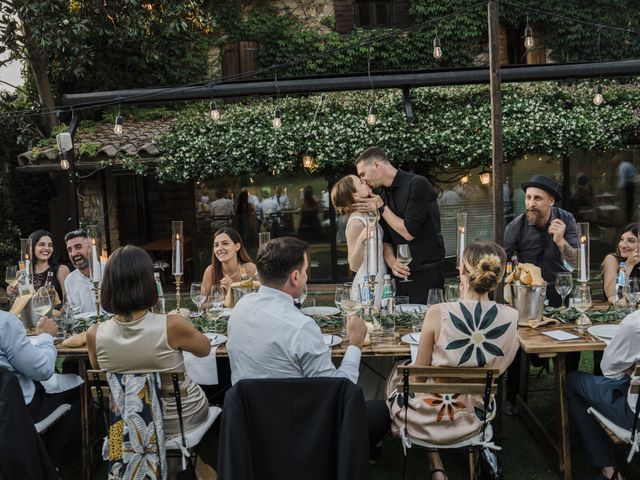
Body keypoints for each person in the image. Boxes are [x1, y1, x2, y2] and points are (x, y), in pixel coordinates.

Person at [226, 237, 390, 458]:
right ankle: (336, 460)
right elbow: (338, 393)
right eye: (305, 271)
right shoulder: (301, 327)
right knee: (380, 412)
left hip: (249, 423)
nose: (306, 277)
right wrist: (355, 344)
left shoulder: (240, 308)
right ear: (295, 277)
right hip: (300, 429)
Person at [393, 241, 518, 480]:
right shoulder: (512, 317)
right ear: (499, 277)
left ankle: (435, 465)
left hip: (424, 418)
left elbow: (418, 376)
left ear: (462, 270)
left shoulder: (438, 312)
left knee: (397, 373)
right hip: (473, 420)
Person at [86, 245, 211, 439]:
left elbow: (100, 369)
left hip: (132, 424)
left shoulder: (94, 334)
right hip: (181, 418)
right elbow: (205, 349)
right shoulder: (173, 326)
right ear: (148, 282)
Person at [503, 175, 579, 414]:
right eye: (528, 198)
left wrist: (561, 242)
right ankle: (511, 396)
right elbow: (503, 262)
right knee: (515, 340)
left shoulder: (567, 221)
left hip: (560, 291)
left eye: (537, 198)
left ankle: (571, 393)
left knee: (572, 341)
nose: (531, 203)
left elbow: (578, 262)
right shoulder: (516, 225)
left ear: (551, 202)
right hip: (526, 294)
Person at [354, 146, 444, 304]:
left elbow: (409, 232)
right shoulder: (381, 194)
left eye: (363, 174)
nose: (363, 180)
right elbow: (386, 238)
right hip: (397, 275)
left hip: (426, 275)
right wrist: (392, 262)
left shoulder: (418, 184)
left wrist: (381, 207)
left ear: (376, 165)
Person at [0, 310, 80, 472]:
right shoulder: (4, 323)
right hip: (15, 413)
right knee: (78, 386)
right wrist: (45, 336)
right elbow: (43, 370)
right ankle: (49, 463)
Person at [567, 309, 640, 480]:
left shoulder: (635, 323)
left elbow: (609, 371)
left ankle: (609, 471)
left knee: (571, 381)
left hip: (634, 416)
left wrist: (631, 370)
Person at [331, 174, 387, 304]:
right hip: (367, 286)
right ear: (355, 195)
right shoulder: (356, 222)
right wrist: (361, 238)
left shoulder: (370, 213)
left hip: (381, 279)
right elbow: (354, 265)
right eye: (361, 183)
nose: (365, 182)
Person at [7, 229, 70, 303]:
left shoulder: (61, 270)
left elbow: (69, 301)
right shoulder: (22, 274)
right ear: (32, 247)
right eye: (41, 244)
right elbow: (17, 305)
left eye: (50, 245)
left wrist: (58, 313)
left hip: (56, 314)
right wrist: (11, 295)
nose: (47, 248)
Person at [201, 227, 257, 295]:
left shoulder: (251, 269)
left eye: (225, 243)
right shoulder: (210, 271)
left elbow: (258, 301)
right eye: (216, 245)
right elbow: (203, 303)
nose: (219, 248)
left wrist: (233, 290)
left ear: (237, 246)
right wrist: (220, 299)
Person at [63, 229, 103, 314]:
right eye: (70, 250)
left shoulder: (109, 270)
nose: (73, 253)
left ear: (91, 248)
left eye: (78, 247)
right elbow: (73, 313)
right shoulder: (69, 281)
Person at [602, 223, 640, 303]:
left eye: (631, 241)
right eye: (622, 239)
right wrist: (628, 265)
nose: (622, 245)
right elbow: (611, 293)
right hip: (619, 312)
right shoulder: (612, 259)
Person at [614, 154, 637, 224]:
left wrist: (619, 190)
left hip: (628, 186)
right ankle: (629, 219)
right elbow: (635, 174)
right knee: (630, 203)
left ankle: (627, 221)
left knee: (627, 204)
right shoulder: (628, 164)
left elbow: (623, 179)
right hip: (632, 185)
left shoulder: (622, 167)